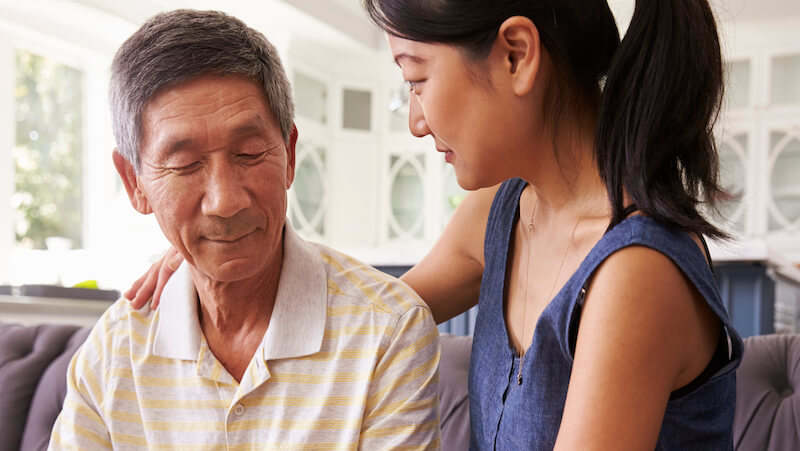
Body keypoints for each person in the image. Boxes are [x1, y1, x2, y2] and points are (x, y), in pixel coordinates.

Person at [128, 1, 745, 449]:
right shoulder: (501, 214)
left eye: (416, 79)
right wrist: (223, 258)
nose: (416, 122)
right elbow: (359, 316)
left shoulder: (636, 273)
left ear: (516, 55)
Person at [49, 9, 441, 450]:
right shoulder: (112, 352)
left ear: (290, 156)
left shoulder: (387, 333)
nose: (225, 200)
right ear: (134, 182)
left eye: (250, 153)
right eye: (185, 164)